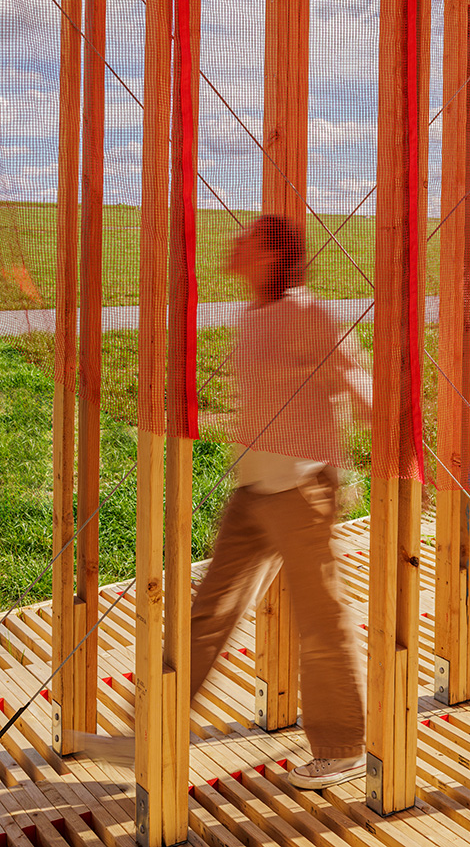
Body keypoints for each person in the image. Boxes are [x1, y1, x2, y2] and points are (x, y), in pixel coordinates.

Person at [79, 214, 371, 791]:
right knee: (205, 615)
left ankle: (341, 748)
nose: (236, 243)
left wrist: (381, 417)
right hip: (254, 488)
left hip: (303, 489)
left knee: (321, 620)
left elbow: (353, 376)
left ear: (275, 257)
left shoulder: (314, 314)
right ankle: (151, 732)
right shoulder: (249, 315)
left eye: (251, 240)